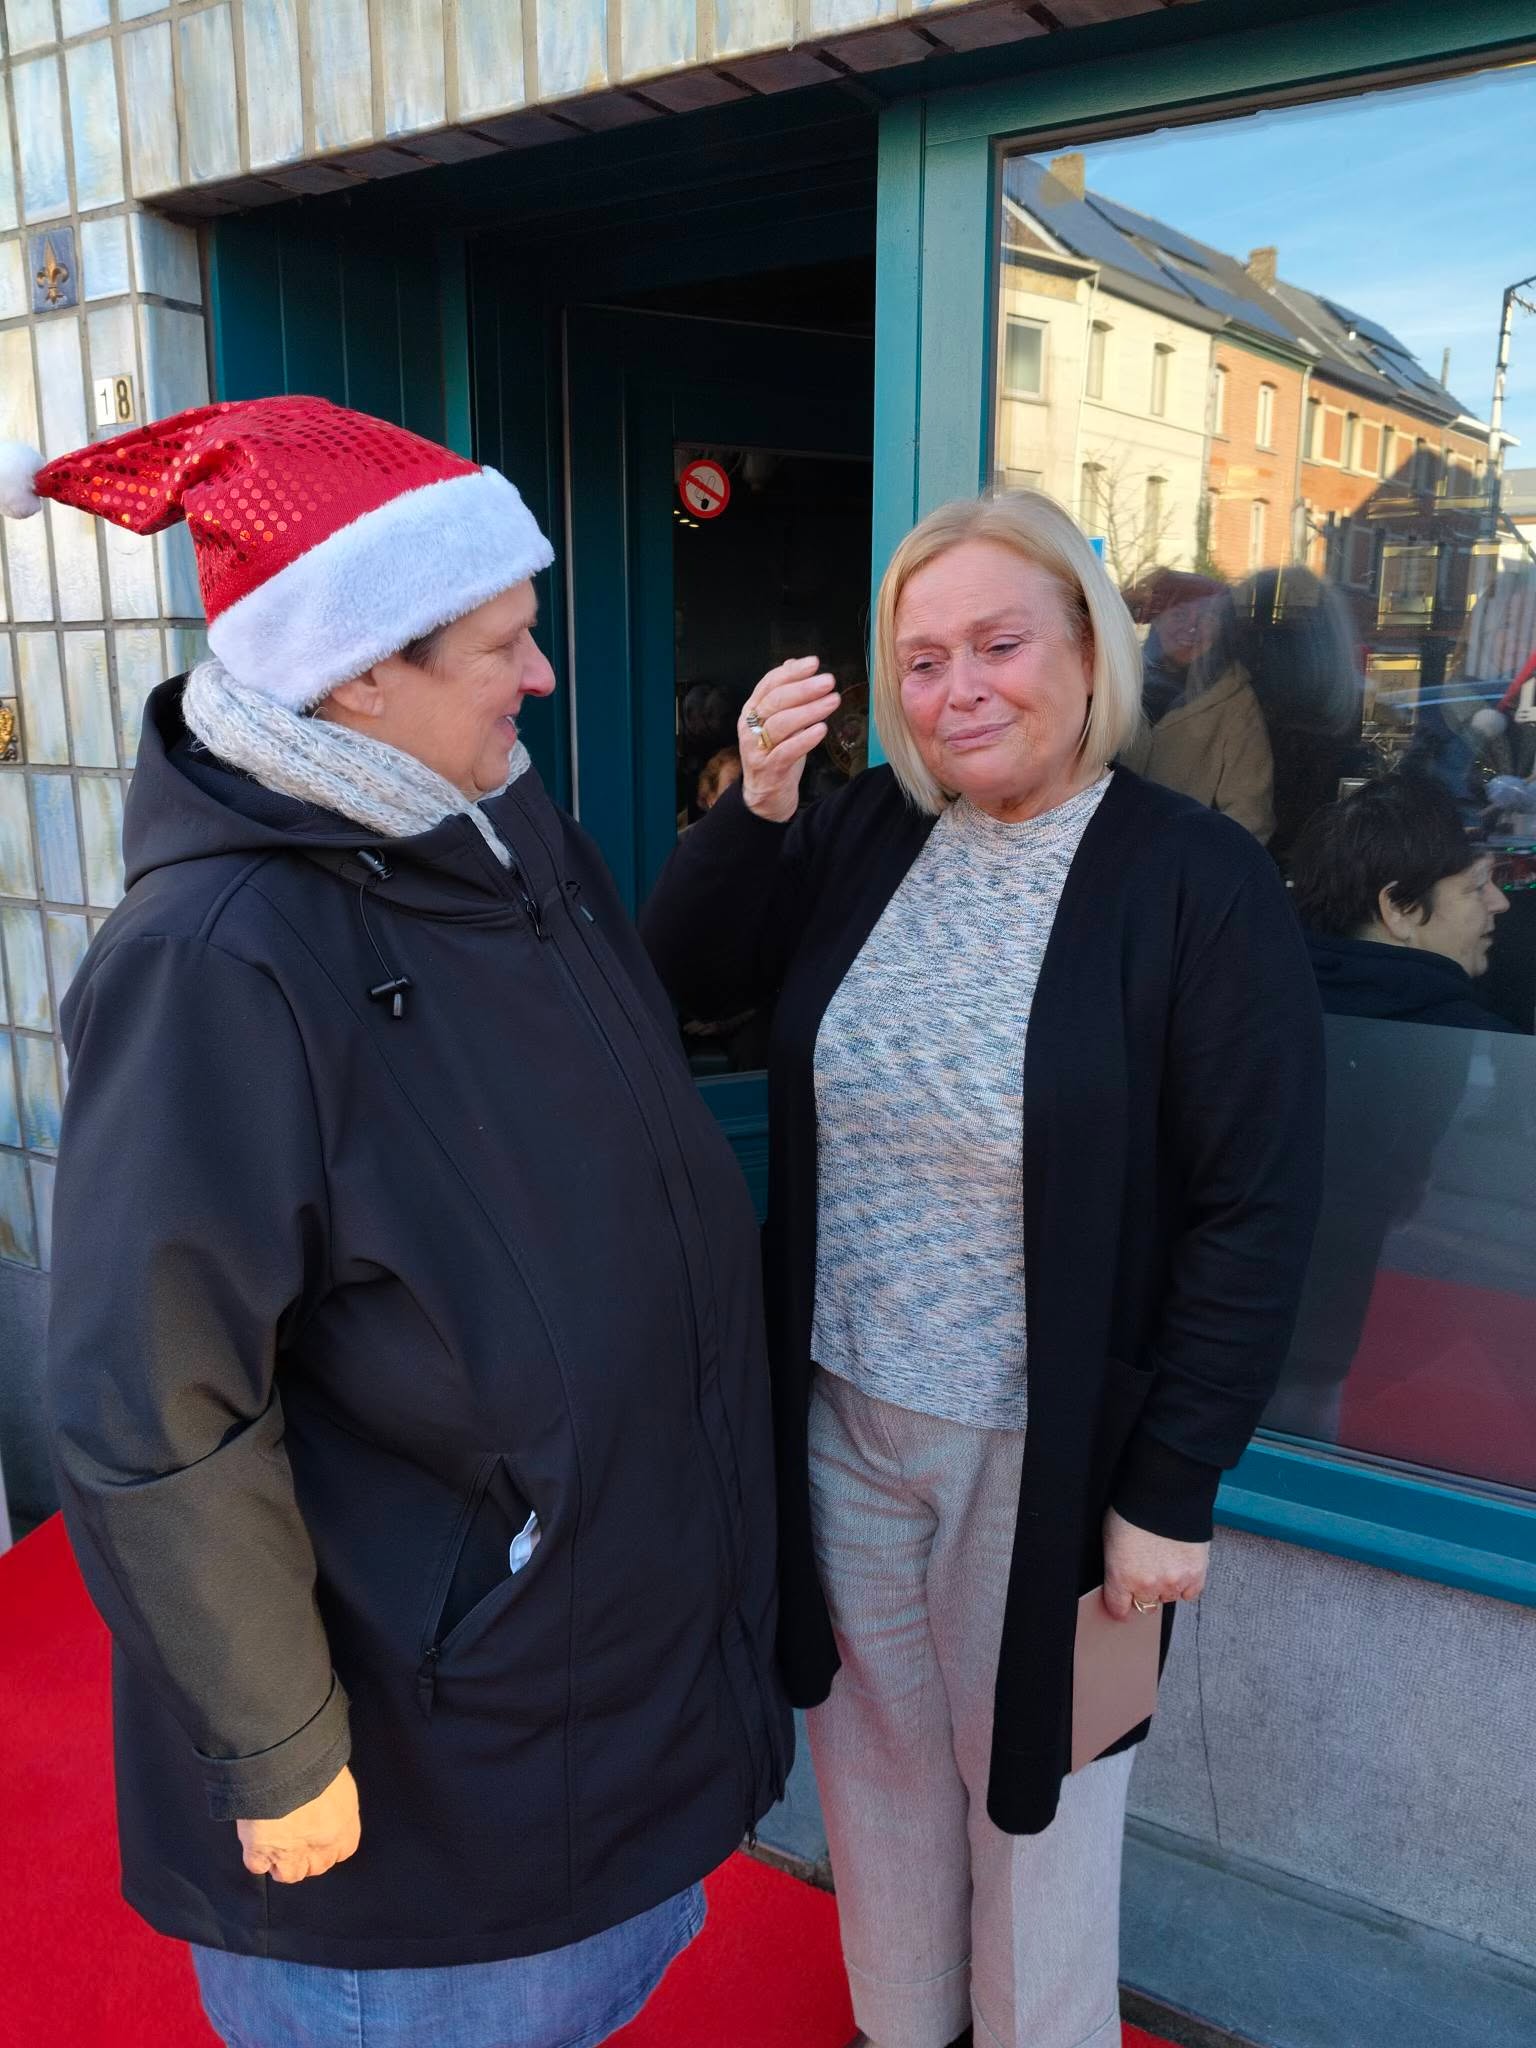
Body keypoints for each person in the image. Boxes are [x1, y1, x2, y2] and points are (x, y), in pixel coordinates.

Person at [11, 399, 788, 2048]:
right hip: (422, 1795)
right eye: (504, 641)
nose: (544, 675)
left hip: (597, 1715)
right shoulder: (216, 954)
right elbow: (154, 1399)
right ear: (360, 674)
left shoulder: (512, 840)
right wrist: (279, 1747)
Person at [642, 491, 1324, 2048]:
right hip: (844, 1422)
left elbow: (1255, 1210)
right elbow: (679, 977)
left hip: (1061, 1458)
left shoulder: (1195, 882)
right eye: (925, 658)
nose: (961, 692)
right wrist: (752, 803)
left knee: (1045, 1808)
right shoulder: (871, 828)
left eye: (1000, 645)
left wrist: (1172, 1484)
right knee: (877, 1777)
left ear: (1088, 646)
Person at [1290, 773, 1514, 1031]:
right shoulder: (1476, 1045)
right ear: (1399, 908)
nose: (1501, 902)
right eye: (1477, 885)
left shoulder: (1273, 1006)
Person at [1118, 567, 1276, 842]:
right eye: (1179, 613)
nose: (1192, 627)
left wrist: (1196, 874)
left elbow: (1250, 817)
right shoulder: (1119, 683)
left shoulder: (1234, 700)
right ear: (1156, 620)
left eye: (1206, 618)